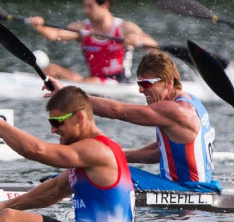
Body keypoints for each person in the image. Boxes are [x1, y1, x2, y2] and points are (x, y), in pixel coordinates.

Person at [0, 86, 135, 222]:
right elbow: (55, 189)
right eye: (51, 122)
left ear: (79, 118)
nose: (52, 130)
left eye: (57, 122)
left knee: (9, 219)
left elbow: (34, 151)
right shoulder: (89, 154)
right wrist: (4, 205)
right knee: (8, 215)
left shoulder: (96, 150)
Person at [58, 50, 221, 193]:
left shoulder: (175, 110)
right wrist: (114, 156)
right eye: (139, 83)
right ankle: (58, 183)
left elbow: (115, 111)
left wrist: (69, 96)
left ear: (169, 82)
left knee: (94, 171)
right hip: (194, 186)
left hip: (188, 190)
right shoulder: (191, 101)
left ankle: (55, 186)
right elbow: (158, 152)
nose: (140, 90)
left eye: (146, 84)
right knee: (102, 167)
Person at [27, 0, 158, 83]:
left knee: (90, 82)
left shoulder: (125, 27)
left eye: (90, 6)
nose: (86, 10)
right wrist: (39, 26)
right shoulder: (82, 28)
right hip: (92, 81)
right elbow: (55, 34)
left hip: (119, 82)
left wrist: (137, 40)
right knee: (52, 70)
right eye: (84, 5)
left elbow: (154, 48)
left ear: (105, 5)